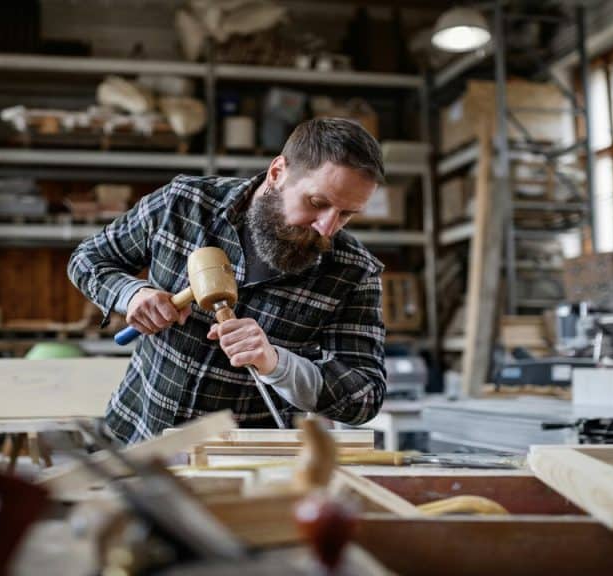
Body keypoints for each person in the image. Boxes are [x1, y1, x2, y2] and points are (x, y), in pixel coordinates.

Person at [69, 117, 387, 444]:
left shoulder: (354, 272)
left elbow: (364, 396)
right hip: (137, 435)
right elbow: (87, 259)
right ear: (278, 172)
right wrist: (130, 294)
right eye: (317, 203)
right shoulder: (184, 203)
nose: (327, 227)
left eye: (347, 214)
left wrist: (276, 363)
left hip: (247, 462)